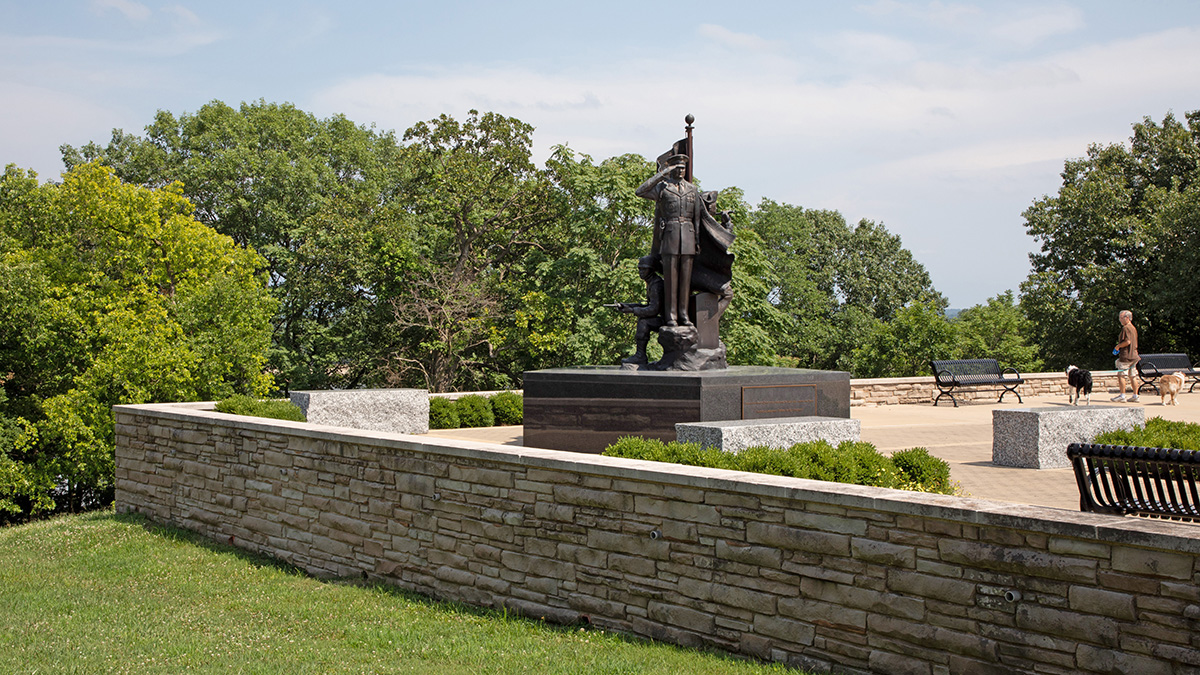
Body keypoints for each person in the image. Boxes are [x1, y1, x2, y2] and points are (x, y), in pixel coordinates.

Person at [635, 154, 700, 327]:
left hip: (688, 236)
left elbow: (697, 218)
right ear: (671, 169)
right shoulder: (663, 188)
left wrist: (697, 241)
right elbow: (640, 191)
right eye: (677, 168)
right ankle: (671, 315)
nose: (680, 171)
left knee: (685, 281)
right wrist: (661, 174)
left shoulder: (692, 190)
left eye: (683, 168)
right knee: (671, 281)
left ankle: (684, 315)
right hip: (670, 237)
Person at [614, 256, 665, 365]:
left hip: (667, 320)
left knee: (644, 321)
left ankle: (640, 355)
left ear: (651, 270)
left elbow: (653, 309)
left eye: (644, 269)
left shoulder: (656, 284)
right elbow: (647, 305)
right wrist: (627, 306)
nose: (640, 272)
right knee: (643, 320)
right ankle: (640, 355)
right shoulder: (651, 282)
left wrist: (632, 310)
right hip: (663, 318)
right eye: (639, 269)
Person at [1111, 309, 1141, 402]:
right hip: (1134, 355)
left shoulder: (1126, 328)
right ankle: (1135, 396)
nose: (1120, 320)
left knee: (1121, 375)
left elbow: (1127, 341)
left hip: (1126, 356)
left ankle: (1122, 396)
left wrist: (1118, 346)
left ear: (1127, 318)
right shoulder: (1133, 328)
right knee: (1132, 375)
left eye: (1121, 318)